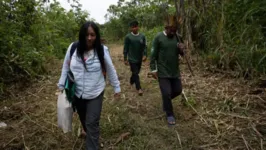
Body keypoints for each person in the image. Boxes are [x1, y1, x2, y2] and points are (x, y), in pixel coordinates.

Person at [58, 21, 121, 150]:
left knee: (92, 122)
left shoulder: (102, 50)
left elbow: (110, 68)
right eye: (86, 35)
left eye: (92, 35)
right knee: (84, 118)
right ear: (82, 35)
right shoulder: (73, 48)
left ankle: (91, 145)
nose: (89, 38)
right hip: (77, 92)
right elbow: (65, 66)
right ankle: (86, 129)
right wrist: (61, 85)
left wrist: (117, 87)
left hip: (95, 92)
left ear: (96, 36)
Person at [149, 16, 185, 126]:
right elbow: (153, 55)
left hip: (174, 70)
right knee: (167, 92)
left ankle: (166, 102)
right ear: (166, 28)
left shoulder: (177, 37)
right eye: (171, 30)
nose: (173, 33)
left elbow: (182, 54)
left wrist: (181, 49)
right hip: (163, 71)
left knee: (178, 90)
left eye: (175, 31)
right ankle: (170, 115)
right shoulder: (158, 37)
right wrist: (154, 69)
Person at [123, 20, 147, 96]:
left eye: (136, 27)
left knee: (136, 72)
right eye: (133, 27)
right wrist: (125, 59)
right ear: (131, 28)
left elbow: (145, 47)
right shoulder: (128, 37)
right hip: (131, 59)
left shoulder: (142, 36)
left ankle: (131, 80)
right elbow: (125, 48)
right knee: (136, 73)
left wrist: (145, 55)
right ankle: (139, 88)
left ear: (138, 27)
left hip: (139, 58)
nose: (134, 28)